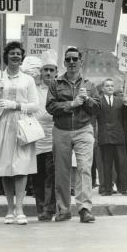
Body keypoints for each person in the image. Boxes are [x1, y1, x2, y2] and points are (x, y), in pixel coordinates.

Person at [0, 41, 39, 225]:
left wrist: (16, 105)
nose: (15, 56)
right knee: (7, 168)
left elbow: (35, 105)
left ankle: (20, 209)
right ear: (6, 56)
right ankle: (9, 208)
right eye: (12, 53)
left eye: (18, 54)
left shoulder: (28, 80)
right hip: (3, 125)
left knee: (21, 168)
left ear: (21, 57)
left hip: (22, 125)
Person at [46, 46, 100, 223]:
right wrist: (71, 104)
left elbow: (98, 109)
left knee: (84, 168)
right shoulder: (56, 84)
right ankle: (63, 209)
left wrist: (87, 100)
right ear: (63, 63)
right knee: (62, 171)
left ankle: (84, 208)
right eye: (68, 59)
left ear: (80, 62)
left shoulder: (90, 85)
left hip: (84, 129)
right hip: (61, 130)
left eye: (74, 59)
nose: (71, 62)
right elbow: (50, 107)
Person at [23, 51, 58, 221]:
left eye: (52, 70)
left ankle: (49, 209)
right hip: (36, 138)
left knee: (52, 175)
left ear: (56, 72)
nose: (49, 73)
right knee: (38, 176)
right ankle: (40, 207)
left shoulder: (60, 89)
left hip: (54, 138)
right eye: (46, 70)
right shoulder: (34, 90)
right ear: (41, 72)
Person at [97, 78, 127, 196]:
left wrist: (126, 105)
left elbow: (126, 118)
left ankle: (123, 188)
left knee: (121, 163)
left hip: (118, 136)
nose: (110, 88)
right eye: (107, 86)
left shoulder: (120, 101)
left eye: (112, 86)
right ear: (103, 88)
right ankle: (107, 189)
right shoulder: (99, 101)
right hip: (105, 137)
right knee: (106, 164)